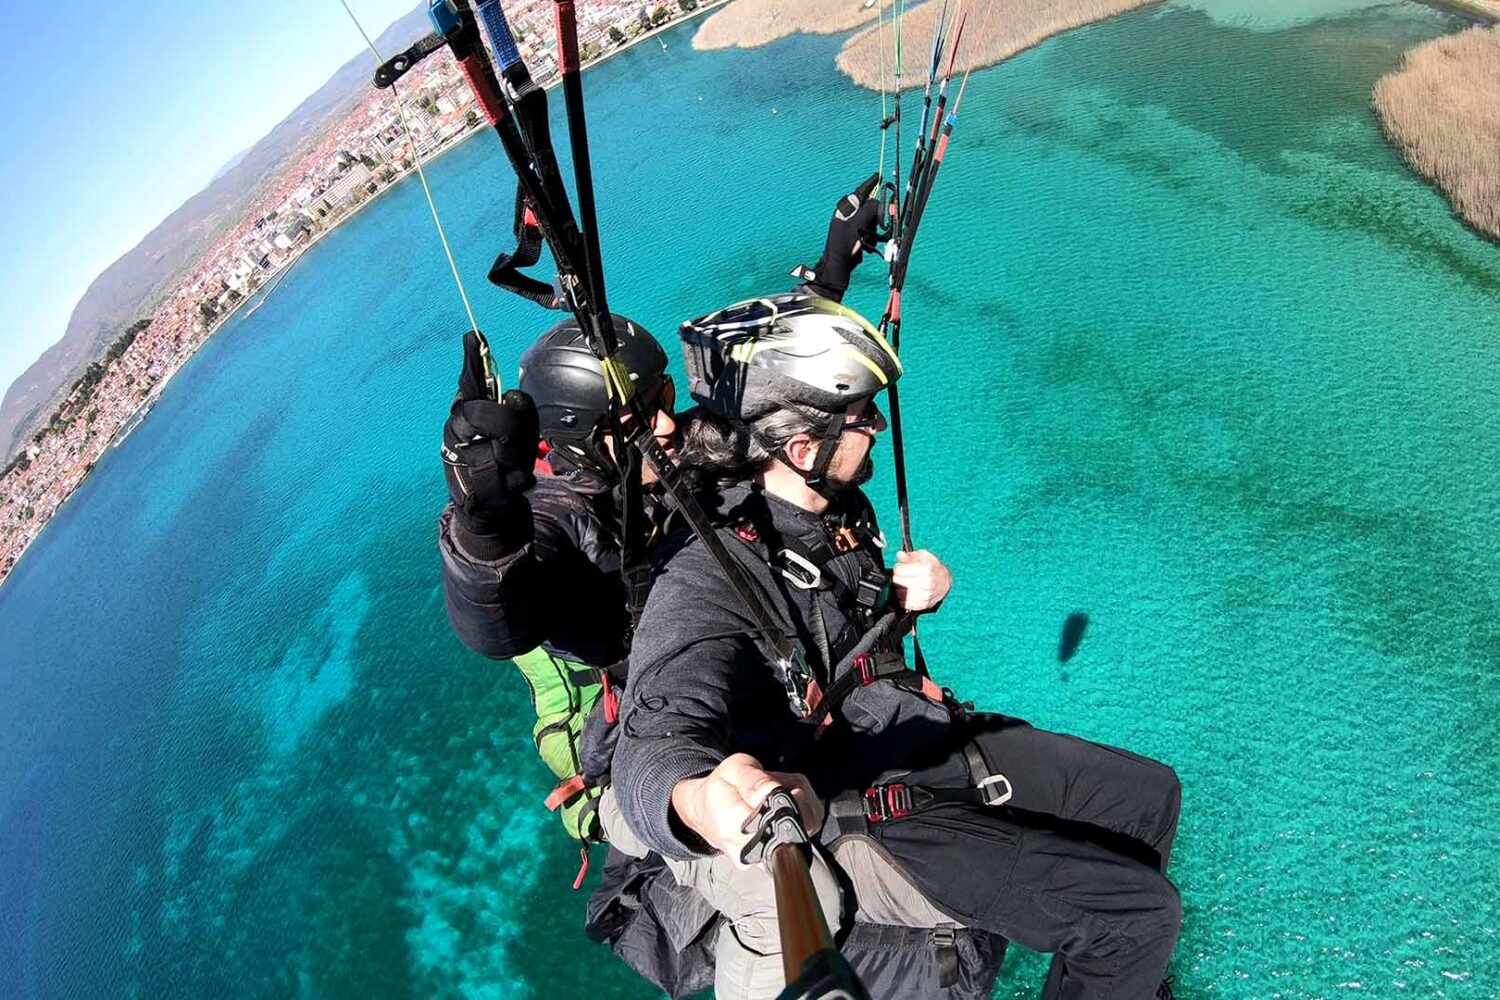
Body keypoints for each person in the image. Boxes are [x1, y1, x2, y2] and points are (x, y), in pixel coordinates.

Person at [608, 291, 1183, 1000]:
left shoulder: (830, 503)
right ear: (800, 447)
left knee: (1150, 798)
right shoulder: (705, 575)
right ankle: (1119, 963)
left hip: (903, 736)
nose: (877, 425)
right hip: (854, 800)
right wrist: (696, 799)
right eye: (861, 417)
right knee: (1134, 915)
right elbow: (653, 736)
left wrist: (911, 602)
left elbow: (835, 624)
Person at [438, 309, 1003, 997]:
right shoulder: (568, 521)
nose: (667, 426)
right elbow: (497, 622)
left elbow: (779, 417)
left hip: (732, 710)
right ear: (585, 445)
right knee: (789, 898)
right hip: (646, 759)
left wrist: (830, 268)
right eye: (639, 419)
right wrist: (485, 525)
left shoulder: (673, 472)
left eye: (664, 402)